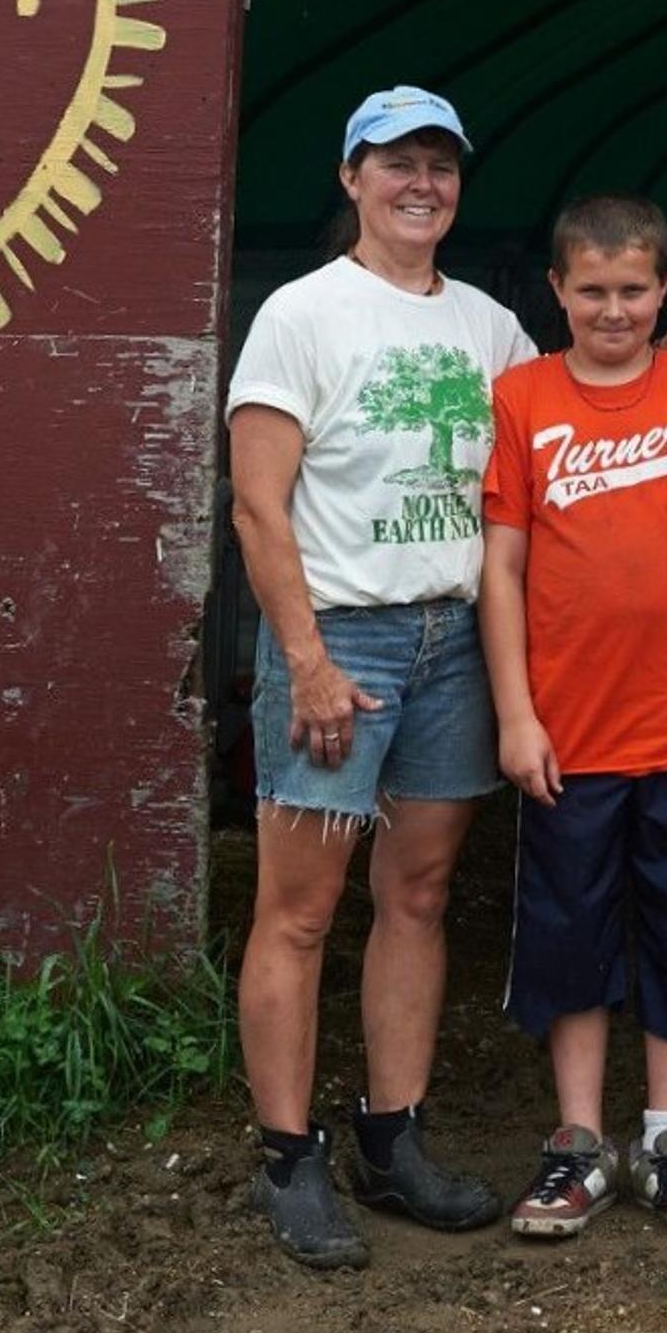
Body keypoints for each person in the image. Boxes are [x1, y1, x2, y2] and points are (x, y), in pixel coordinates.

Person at [224, 86, 533, 1271]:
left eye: (441, 165)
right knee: (298, 910)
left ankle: (390, 1137)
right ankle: (288, 1155)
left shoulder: (488, 326)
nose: (422, 184)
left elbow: (568, 410)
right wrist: (301, 658)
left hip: (450, 636)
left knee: (418, 893)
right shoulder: (302, 316)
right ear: (350, 177)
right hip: (339, 640)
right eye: (396, 162)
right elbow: (259, 504)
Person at [479, 194, 667, 1244]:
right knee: (570, 928)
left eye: (634, 290)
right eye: (592, 290)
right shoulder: (521, 398)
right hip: (570, 733)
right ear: (556, 289)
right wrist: (516, 716)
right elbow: (503, 567)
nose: (614, 310)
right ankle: (575, 1142)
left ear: (665, 289)